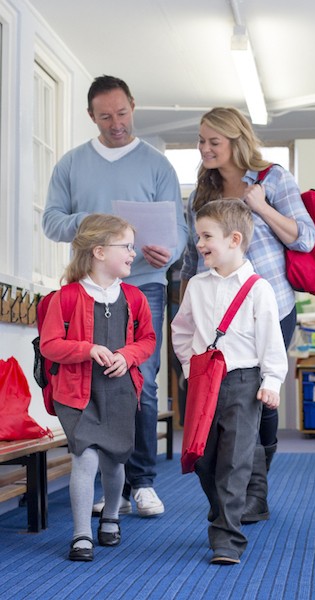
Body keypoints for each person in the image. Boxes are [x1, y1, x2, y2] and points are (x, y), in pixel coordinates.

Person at [42, 75, 187, 517]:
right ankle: (111, 484)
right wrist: (94, 224)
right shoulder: (70, 164)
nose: (116, 123)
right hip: (87, 287)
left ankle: (140, 483)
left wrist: (170, 251)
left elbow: (178, 232)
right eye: (105, 116)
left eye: (122, 113)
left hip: (144, 283)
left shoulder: (158, 165)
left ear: (133, 107)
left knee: (138, 384)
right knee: (95, 382)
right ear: (92, 116)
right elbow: (51, 222)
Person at [179, 107, 315, 523]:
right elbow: (192, 254)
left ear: (237, 141)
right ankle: (239, 489)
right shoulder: (200, 193)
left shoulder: (272, 178)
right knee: (221, 404)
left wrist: (261, 207)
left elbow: (305, 239)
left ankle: (255, 484)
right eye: (201, 140)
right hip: (216, 314)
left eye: (213, 142)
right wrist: (186, 301)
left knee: (262, 397)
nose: (204, 148)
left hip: (269, 299)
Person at [171, 199, 288, 565]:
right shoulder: (196, 286)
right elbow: (181, 331)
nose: (199, 243)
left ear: (234, 239)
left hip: (243, 380)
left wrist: (271, 380)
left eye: (207, 236)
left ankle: (227, 537)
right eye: (198, 236)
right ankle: (224, 508)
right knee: (202, 457)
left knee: (235, 459)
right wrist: (190, 370)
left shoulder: (258, 289)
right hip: (203, 380)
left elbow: (271, 339)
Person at [40, 214, 156, 561]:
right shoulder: (66, 298)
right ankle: (80, 535)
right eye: (127, 247)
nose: (133, 254)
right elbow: (49, 345)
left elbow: (148, 339)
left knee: (115, 461)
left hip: (119, 392)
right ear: (100, 251)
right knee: (85, 457)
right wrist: (87, 349)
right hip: (76, 395)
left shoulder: (135, 298)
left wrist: (129, 355)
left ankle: (110, 516)